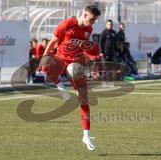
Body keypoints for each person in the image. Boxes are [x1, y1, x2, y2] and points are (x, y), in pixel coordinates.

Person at [38, 5, 101, 151]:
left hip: (76, 64)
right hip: (60, 59)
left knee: (84, 99)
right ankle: (60, 85)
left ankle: (86, 135)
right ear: (85, 15)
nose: (93, 23)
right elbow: (53, 42)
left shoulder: (88, 30)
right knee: (46, 69)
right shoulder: (66, 24)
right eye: (91, 20)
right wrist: (43, 60)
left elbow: (81, 46)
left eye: (95, 21)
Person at [100, 19, 117, 84]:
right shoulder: (104, 32)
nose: (110, 25)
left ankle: (109, 81)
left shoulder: (114, 32)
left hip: (112, 53)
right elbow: (100, 43)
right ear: (106, 25)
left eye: (111, 24)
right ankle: (104, 81)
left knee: (111, 66)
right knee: (106, 67)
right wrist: (101, 52)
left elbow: (115, 43)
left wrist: (116, 51)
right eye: (109, 24)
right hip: (105, 52)